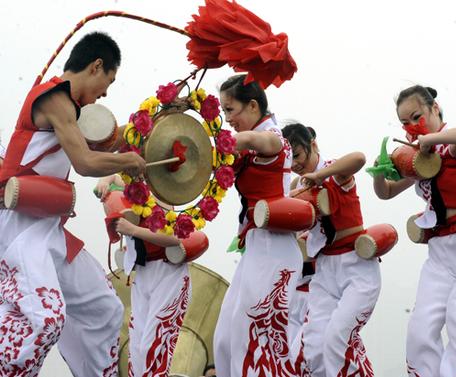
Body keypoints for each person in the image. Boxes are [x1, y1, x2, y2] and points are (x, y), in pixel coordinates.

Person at [0, 32, 146, 376]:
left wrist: (151, 127)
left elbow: (104, 146)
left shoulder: (72, 111)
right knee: (47, 319)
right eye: (108, 81)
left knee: (105, 310)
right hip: (20, 229)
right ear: (96, 66)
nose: (106, 93)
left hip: (48, 230)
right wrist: (127, 161)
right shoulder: (54, 100)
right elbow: (84, 162)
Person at [372, 85, 456, 376]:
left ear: (435, 109)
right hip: (440, 252)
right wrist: (379, 172)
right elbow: (387, 193)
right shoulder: (419, 157)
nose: (411, 126)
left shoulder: (451, 145)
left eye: (416, 116)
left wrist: (431, 138)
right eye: (404, 122)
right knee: (420, 329)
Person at [212, 74, 302, 377]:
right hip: (256, 248)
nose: (228, 118)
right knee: (226, 340)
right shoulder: (249, 144)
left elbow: (253, 140)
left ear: (252, 105)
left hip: (275, 248)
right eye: (223, 111)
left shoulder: (273, 138)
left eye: (230, 110)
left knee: (256, 340)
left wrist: (209, 143)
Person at [282, 123, 380, 376]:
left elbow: (359, 158)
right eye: (290, 160)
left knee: (338, 339)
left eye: (299, 156)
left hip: (355, 267)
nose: (296, 164)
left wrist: (320, 176)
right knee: (312, 346)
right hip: (324, 272)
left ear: (313, 145)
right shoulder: (300, 188)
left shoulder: (335, 172)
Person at [95, 174, 194, 377]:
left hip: (169, 273)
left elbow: (175, 238)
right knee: (137, 350)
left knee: (153, 347)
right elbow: (114, 172)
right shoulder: (131, 183)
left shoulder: (162, 189)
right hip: (143, 273)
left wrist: (133, 229)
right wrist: (103, 182)